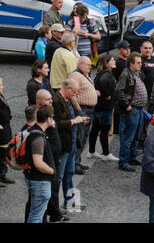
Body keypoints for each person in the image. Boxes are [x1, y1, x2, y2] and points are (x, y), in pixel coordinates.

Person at [33, 89, 68, 223]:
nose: (51, 101)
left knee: (53, 189)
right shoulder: (38, 117)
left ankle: (54, 213)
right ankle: (48, 216)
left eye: (50, 99)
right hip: (46, 161)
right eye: (48, 99)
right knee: (42, 195)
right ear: (39, 102)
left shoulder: (49, 113)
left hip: (53, 158)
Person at [53, 79, 88, 212]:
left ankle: (70, 201)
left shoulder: (69, 100)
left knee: (69, 173)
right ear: (67, 88)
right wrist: (74, 121)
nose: (75, 95)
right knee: (59, 176)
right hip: (63, 144)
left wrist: (80, 120)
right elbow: (57, 123)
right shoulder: (56, 101)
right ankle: (54, 207)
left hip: (71, 143)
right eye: (74, 92)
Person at [114, 52, 147, 172]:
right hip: (131, 109)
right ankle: (123, 161)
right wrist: (127, 105)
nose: (140, 64)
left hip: (138, 109)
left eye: (140, 63)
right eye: (138, 63)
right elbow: (119, 91)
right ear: (131, 64)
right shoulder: (126, 74)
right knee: (128, 137)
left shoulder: (136, 73)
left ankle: (132, 157)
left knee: (136, 135)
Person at [24, 105, 56, 223]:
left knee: (35, 213)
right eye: (52, 117)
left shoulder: (33, 131)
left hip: (36, 180)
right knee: (36, 216)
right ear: (48, 119)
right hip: (40, 182)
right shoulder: (38, 137)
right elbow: (38, 163)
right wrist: (52, 171)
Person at [69, 56, 98, 175]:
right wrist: (79, 111)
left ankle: (78, 161)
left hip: (89, 110)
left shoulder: (84, 75)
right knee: (79, 138)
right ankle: (73, 164)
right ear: (80, 65)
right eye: (87, 65)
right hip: (83, 110)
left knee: (84, 137)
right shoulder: (76, 75)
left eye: (90, 65)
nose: (90, 67)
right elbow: (72, 94)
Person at [88, 54, 118, 162]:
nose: (114, 62)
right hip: (105, 107)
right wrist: (107, 95)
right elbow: (103, 86)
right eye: (112, 60)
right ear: (106, 63)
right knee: (104, 130)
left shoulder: (100, 74)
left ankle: (91, 151)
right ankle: (106, 153)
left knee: (95, 129)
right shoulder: (107, 75)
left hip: (98, 107)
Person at [112, 40, 131, 135]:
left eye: (128, 48)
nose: (128, 50)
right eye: (125, 48)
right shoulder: (120, 63)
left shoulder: (125, 62)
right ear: (119, 50)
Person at [0, 78, 14, 187]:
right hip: (1, 131)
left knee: (4, 153)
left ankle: (3, 174)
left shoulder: (1, 96)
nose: (3, 87)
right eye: (0, 85)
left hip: (5, 128)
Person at [140, 41, 154, 107]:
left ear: (152, 49)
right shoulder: (139, 60)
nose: (148, 50)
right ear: (141, 49)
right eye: (145, 48)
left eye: (149, 48)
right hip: (145, 96)